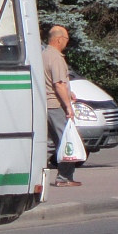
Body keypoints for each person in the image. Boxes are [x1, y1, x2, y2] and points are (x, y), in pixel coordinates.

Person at [43, 25, 80, 187]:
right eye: (66, 39)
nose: (66, 43)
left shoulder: (43, 55)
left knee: (48, 144)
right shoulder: (56, 58)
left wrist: (69, 92)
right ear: (59, 39)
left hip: (44, 105)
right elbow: (58, 84)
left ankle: (33, 173)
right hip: (56, 105)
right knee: (66, 142)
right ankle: (64, 177)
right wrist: (68, 107)